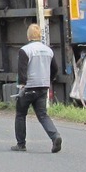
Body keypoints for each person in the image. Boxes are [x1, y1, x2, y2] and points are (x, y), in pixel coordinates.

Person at [13, 24, 62, 153]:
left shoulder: (25, 50)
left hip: (28, 87)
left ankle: (21, 144)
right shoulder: (48, 50)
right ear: (40, 35)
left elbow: (22, 70)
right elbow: (55, 69)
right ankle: (55, 136)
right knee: (42, 114)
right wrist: (49, 80)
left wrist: (21, 86)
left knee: (20, 114)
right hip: (43, 86)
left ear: (28, 35)